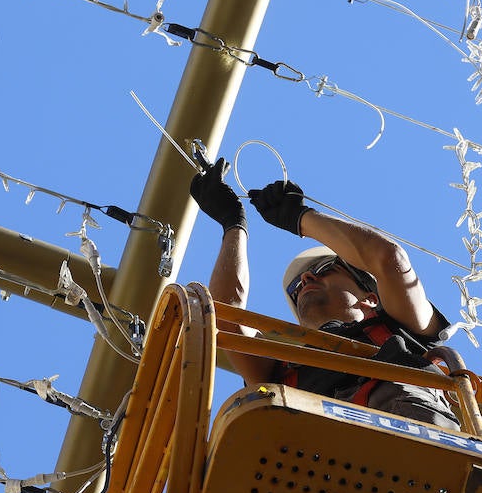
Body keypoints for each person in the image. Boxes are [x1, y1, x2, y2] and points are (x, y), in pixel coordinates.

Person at [189, 159, 461, 430]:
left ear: (370, 298)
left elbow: (390, 260)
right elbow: (226, 313)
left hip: (410, 432)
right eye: (296, 288)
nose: (306, 279)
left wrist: (300, 218)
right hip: (318, 458)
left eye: (324, 269)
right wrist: (233, 224)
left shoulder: (402, 328)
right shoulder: (280, 367)